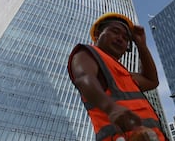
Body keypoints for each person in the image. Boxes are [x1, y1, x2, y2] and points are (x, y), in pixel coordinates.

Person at [68, 12, 168, 141]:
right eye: (115, 32)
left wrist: (141, 45)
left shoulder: (124, 74)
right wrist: (111, 108)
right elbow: (83, 78)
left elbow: (151, 81)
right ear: (98, 34)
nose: (121, 39)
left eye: (126, 38)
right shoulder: (87, 53)